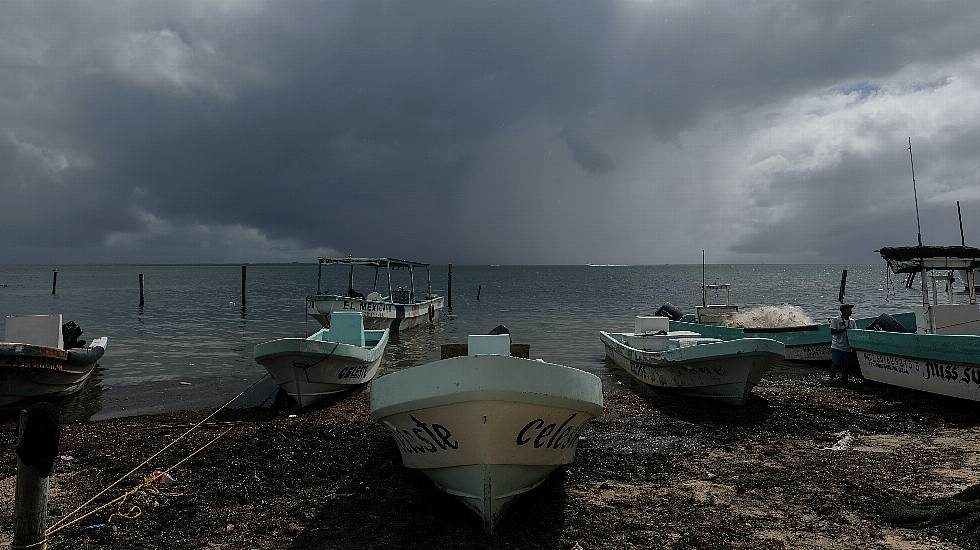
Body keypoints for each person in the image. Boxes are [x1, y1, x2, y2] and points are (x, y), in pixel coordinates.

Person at [829, 303, 856, 384]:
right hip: (837, 346)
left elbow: (854, 333)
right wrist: (843, 330)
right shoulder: (836, 320)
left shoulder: (852, 321)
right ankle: (832, 379)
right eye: (849, 309)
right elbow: (832, 332)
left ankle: (844, 380)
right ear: (843, 311)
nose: (850, 311)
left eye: (850, 309)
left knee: (846, 365)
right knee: (836, 363)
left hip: (848, 347)